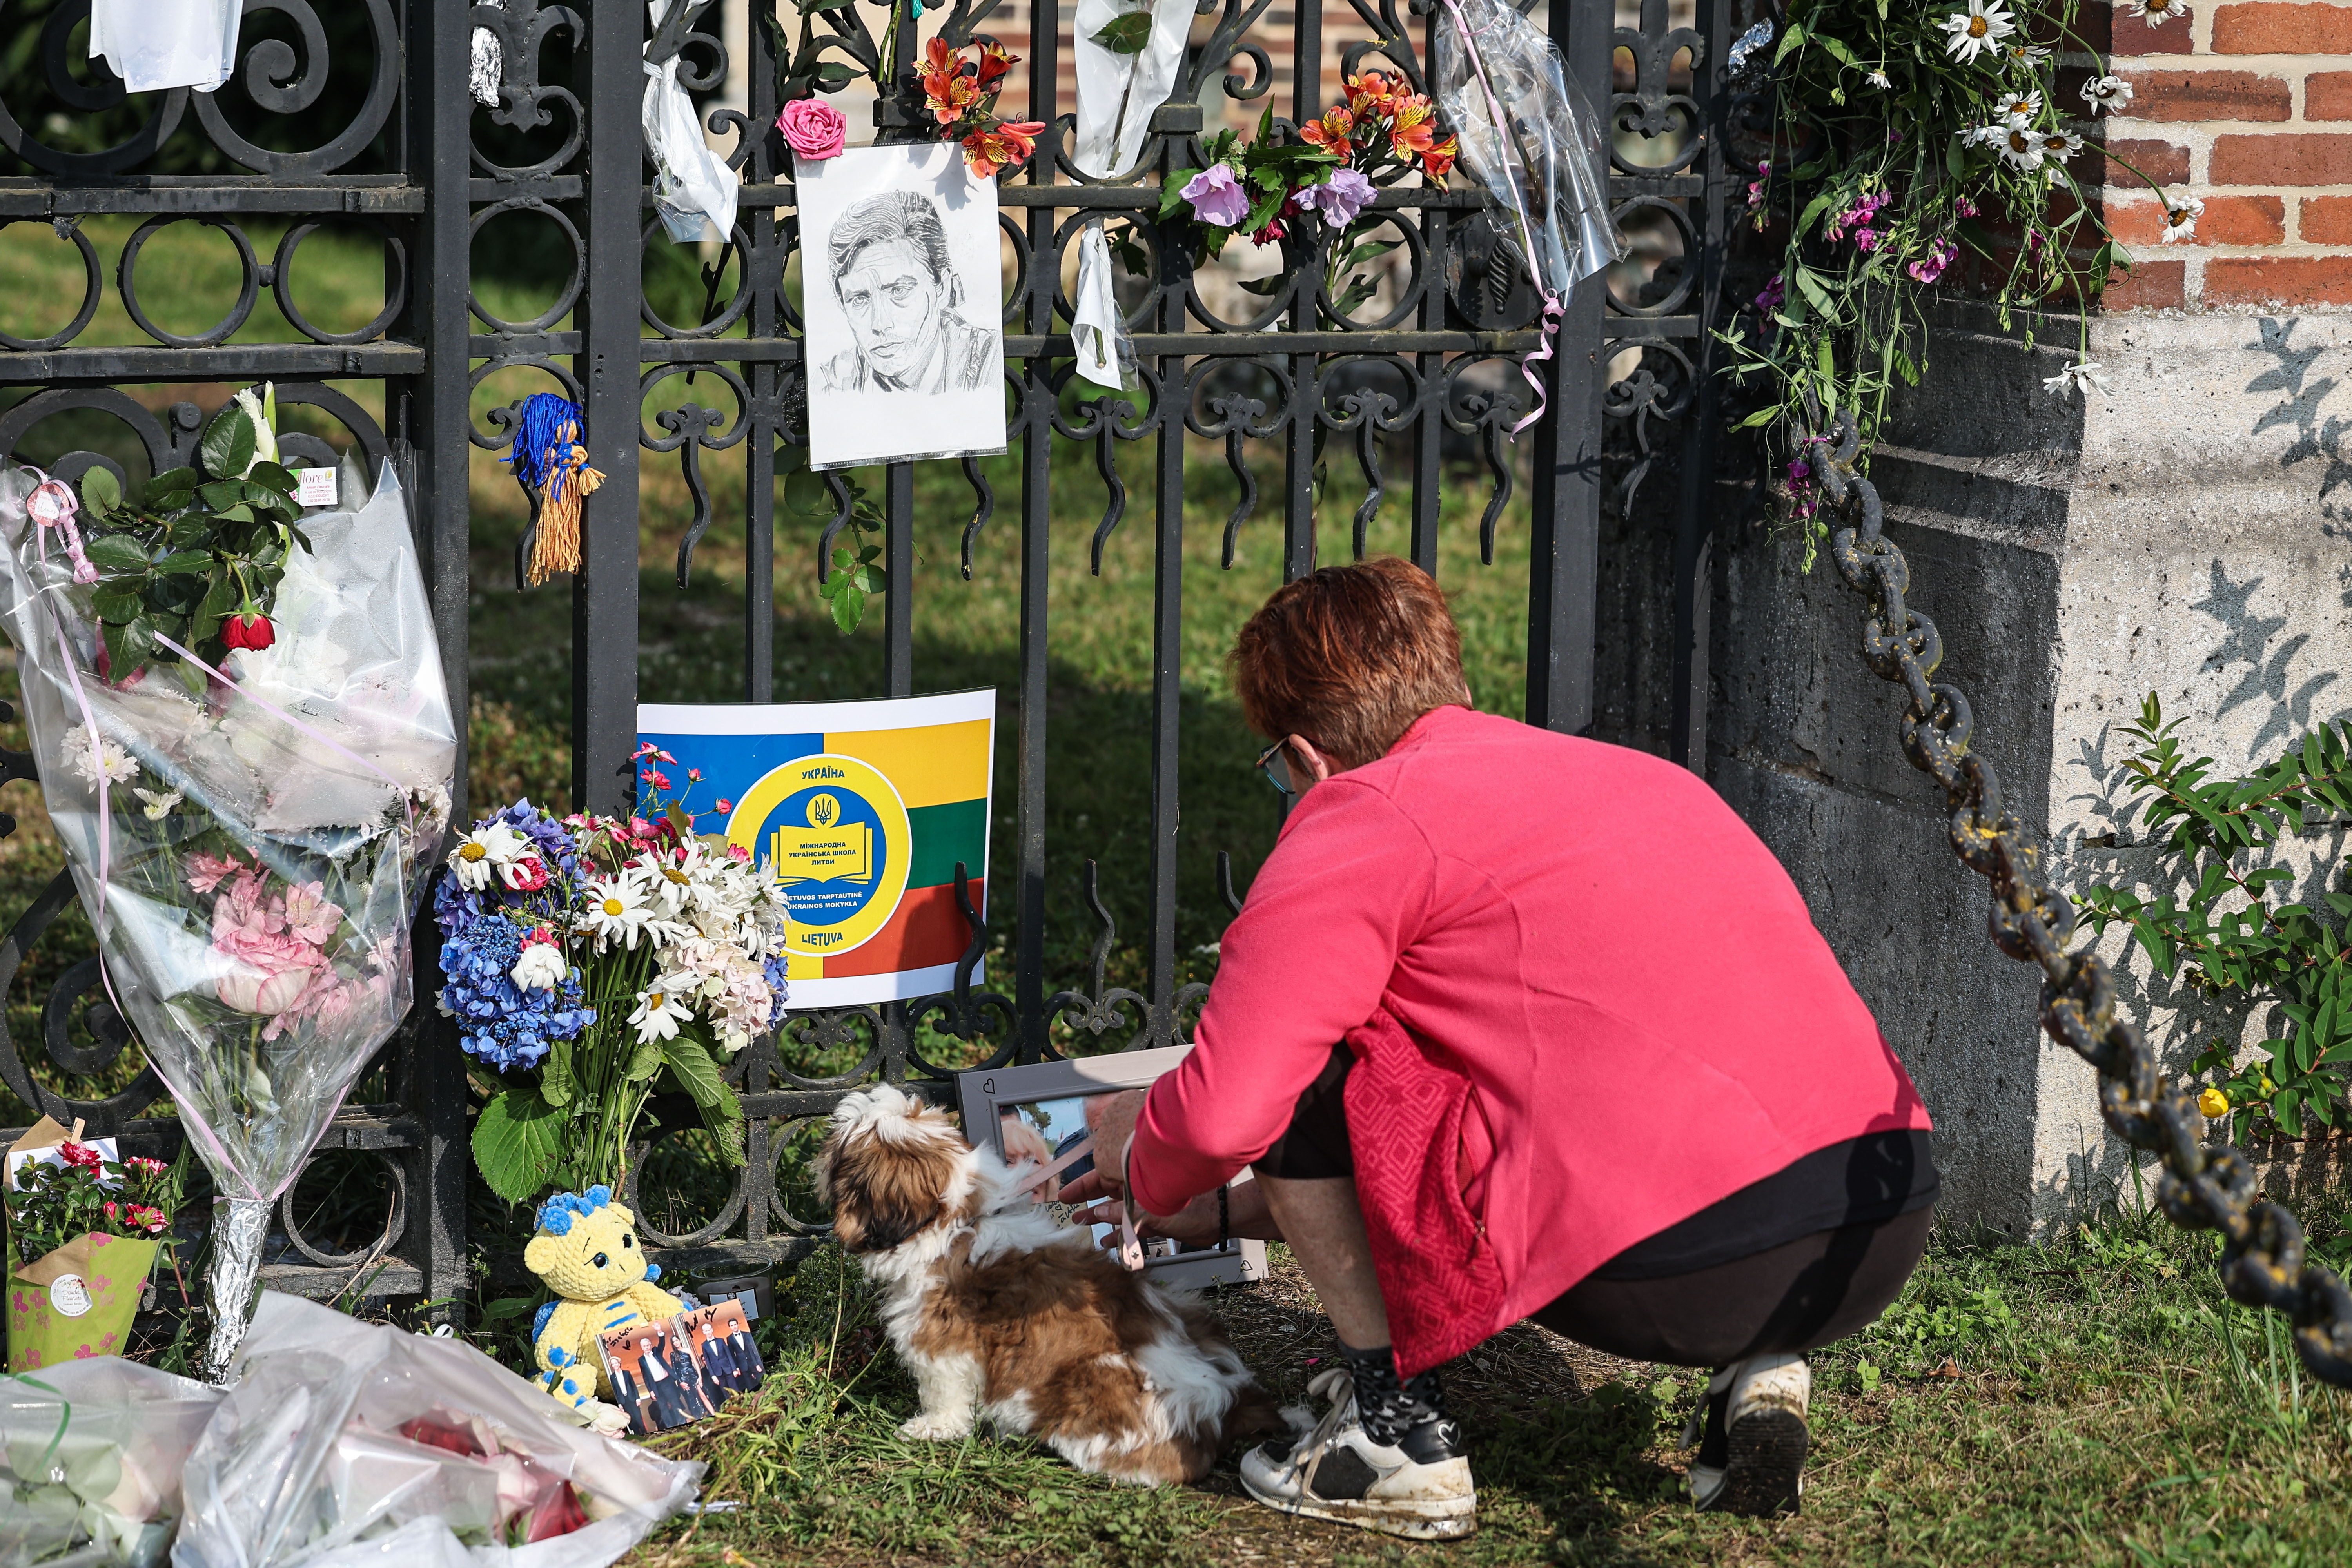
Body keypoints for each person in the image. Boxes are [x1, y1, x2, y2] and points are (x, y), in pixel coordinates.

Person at [1061, 557, 1936, 1539]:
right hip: (1874, 1220)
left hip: (1682, 1265)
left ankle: (1393, 1438)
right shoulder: (1642, 776)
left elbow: (1237, 1109)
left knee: (1322, 1061)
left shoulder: (1358, 816)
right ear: (1459, 691)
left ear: (1305, 757)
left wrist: (1138, 1156)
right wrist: (1220, 1212)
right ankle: (1764, 1357)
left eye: (1275, 769)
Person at [819, 191, 994, 396]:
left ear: (943, 288)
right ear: (842, 303)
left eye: (899, 291)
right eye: (859, 300)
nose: (881, 325)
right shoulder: (832, 385)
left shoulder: (988, 363)